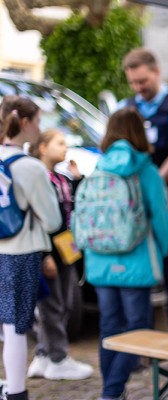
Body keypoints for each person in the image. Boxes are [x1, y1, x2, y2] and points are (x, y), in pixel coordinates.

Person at [82, 107, 168, 400]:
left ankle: (111, 391)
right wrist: (161, 250)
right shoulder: (145, 169)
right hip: (136, 261)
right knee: (137, 328)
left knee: (109, 326)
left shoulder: (99, 167)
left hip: (98, 260)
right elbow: (161, 217)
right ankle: (112, 393)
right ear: (139, 132)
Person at [120, 48, 168, 336]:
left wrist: (151, 189)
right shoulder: (124, 108)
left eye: (143, 81)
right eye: (134, 83)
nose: (139, 88)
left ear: (156, 72)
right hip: (134, 213)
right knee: (136, 281)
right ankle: (138, 347)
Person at [0, 97, 62, 400]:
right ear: (24, 122)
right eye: (37, 120)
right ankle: (16, 391)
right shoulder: (30, 167)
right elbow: (52, 220)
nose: (40, 127)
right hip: (20, 253)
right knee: (15, 326)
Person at [26, 129, 93, 380]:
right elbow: (38, 218)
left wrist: (77, 179)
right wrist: (44, 255)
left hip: (68, 247)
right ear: (42, 147)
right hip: (50, 250)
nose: (66, 148)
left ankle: (44, 354)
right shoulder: (38, 177)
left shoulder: (61, 178)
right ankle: (57, 356)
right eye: (60, 143)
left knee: (64, 302)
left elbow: (71, 206)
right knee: (51, 305)